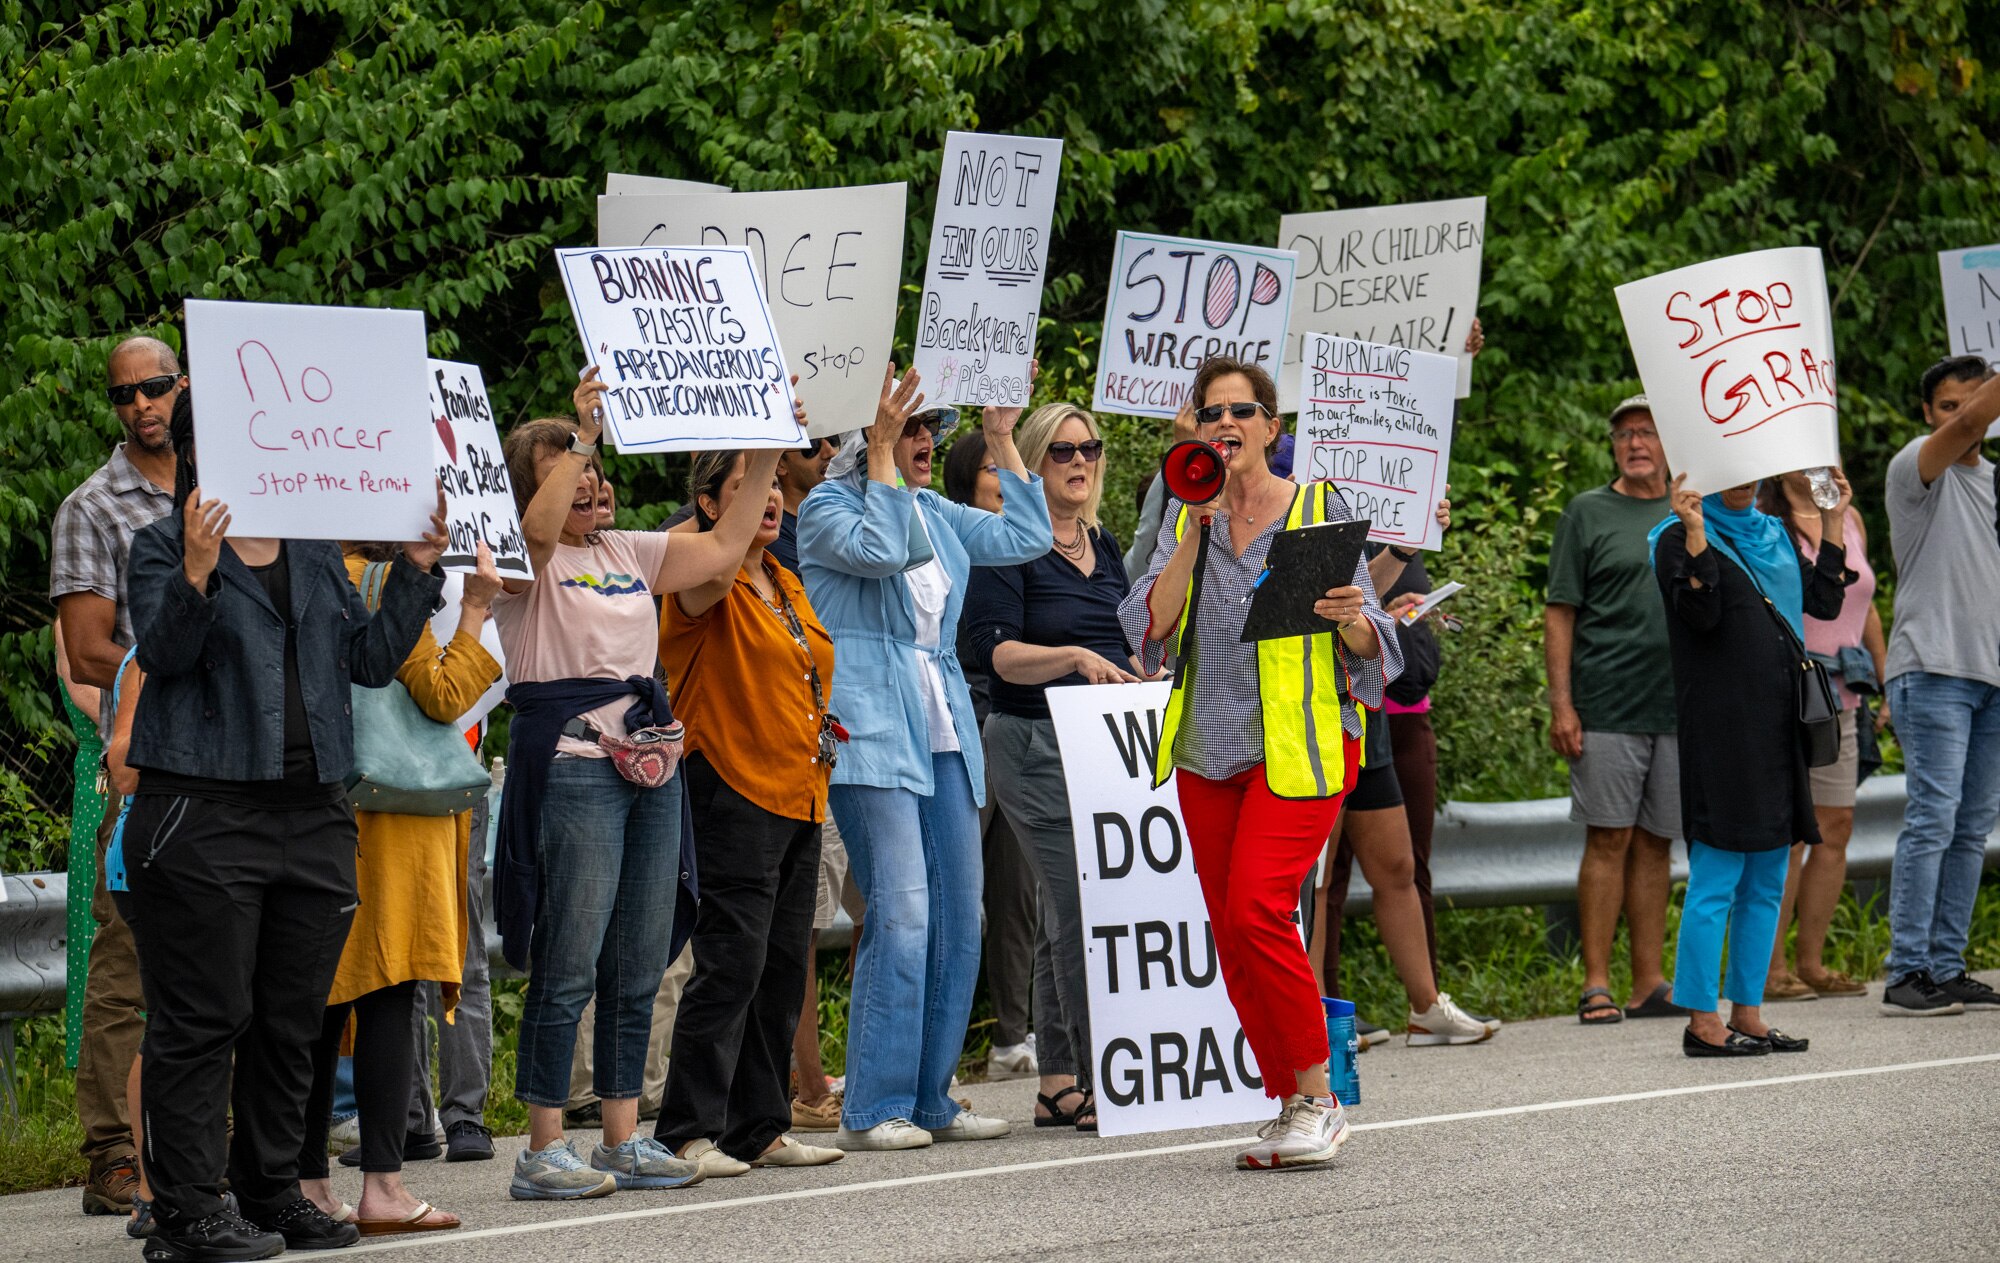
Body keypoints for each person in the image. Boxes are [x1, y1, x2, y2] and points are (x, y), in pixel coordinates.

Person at [122, 388, 447, 1259]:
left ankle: (269, 1189)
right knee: (204, 1017)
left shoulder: (312, 553)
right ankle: (188, 1210)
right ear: (197, 455)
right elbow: (162, 655)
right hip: (204, 813)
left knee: (290, 1016)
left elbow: (369, 664)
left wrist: (416, 569)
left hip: (312, 817)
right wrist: (196, 569)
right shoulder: (159, 547)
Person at [490, 369, 787, 1197]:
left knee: (637, 960)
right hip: (576, 767)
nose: (590, 481)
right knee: (570, 957)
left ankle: (623, 1137)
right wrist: (581, 434)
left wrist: (765, 444)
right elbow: (538, 534)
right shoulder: (527, 561)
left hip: (652, 766)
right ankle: (544, 1144)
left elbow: (725, 546)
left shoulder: (628, 549)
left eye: (594, 468)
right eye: (568, 471)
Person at [1118, 356, 1400, 1170]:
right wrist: (1195, 527)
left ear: (1272, 428)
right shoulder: (1185, 516)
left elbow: (1374, 638)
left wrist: (1351, 622)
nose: (1225, 422)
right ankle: (1288, 1100)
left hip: (1302, 750)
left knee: (1255, 909)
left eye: (1242, 409)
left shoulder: (1316, 508)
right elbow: (1149, 627)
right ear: (1199, 431)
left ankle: (1319, 1095)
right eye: (1211, 413)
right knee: (1232, 936)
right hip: (1209, 752)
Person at [797, 364, 1052, 1152]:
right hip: (869, 728)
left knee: (962, 917)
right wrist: (876, 450)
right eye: (909, 427)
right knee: (902, 915)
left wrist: (1003, 434)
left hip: (942, 726)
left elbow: (1028, 534)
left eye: (931, 428)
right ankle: (874, 1103)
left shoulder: (936, 509)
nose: (924, 440)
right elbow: (881, 548)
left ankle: (932, 1095)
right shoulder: (824, 509)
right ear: (863, 440)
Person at [291, 540, 505, 1237]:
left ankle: (309, 1179)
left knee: (322, 997)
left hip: (340, 807)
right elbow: (442, 695)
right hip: (393, 816)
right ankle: (383, 1181)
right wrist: (473, 611)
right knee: (388, 992)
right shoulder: (377, 580)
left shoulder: (314, 571)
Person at [654, 448, 846, 1175]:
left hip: (800, 789)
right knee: (730, 962)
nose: (768, 496)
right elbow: (706, 580)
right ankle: (685, 1130)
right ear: (710, 506)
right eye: (748, 485)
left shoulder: (785, 579)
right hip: (731, 786)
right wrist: (768, 443)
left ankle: (757, 1125)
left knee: (777, 965)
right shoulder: (699, 572)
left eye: (770, 484)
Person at [963, 400, 1138, 1133]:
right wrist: (1070, 658)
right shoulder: (1007, 545)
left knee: (1067, 912)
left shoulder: (1107, 544)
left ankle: (1057, 1082)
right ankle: (1110, 1080)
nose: (1078, 461)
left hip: (1103, 748)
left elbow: (1127, 639)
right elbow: (993, 653)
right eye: (1062, 451)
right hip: (1031, 741)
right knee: (1080, 909)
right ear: (1033, 462)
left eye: (1089, 449)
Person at [1651, 471, 1854, 1057]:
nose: (1740, 481)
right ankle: (1700, 1019)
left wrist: (1834, 519)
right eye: (1725, 470)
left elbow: (1823, 601)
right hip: (1720, 726)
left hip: (1778, 721)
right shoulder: (1671, 536)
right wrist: (1695, 532)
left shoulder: (1774, 532)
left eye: (1748, 469)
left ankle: (1748, 1011)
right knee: (1717, 875)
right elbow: (1701, 614)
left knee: (1768, 873)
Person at [49, 335, 179, 1218]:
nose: (142, 406)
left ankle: (198, 1137)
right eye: (125, 395)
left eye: (157, 387)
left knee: (217, 960)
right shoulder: (92, 507)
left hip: (232, 762)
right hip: (141, 757)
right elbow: (91, 648)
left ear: (183, 386)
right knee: (125, 961)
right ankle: (110, 1154)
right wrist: (187, 670)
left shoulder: (229, 483)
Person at [1314, 498, 1497, 1047]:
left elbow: (1360, 597)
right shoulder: (1291, 487)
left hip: (1368, 715)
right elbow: (1324, 602)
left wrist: (1402, 545)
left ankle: (1425, 1006)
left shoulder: (1379, 492)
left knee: (1396, 864)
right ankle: (1315, 1012)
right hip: (1315, 710)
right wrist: (1395, 556)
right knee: (1318, 882)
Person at [1544, 396, 1684, 1025]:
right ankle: (1596, 982)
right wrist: (1562, 704)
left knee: (1658, 843)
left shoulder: (1689, 509)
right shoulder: (1588, 512)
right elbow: (1560, 611)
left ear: (1667, 442)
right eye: (1624, 433)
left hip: (1680, 706)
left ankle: (1648, 982)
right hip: (1605, 703)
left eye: (1647, 432)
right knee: (1609, 839)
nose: (1634, 443)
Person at [1880, 356, 2000, 1016]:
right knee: (1933, 817)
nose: (1961, 416)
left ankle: (1947, 964)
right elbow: (1980, 419)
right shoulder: (1916, 468)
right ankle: (1906, 970)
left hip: (1991, 676)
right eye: (1948, 406)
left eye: (1969, 403)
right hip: (1932, 669)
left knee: (1972, 825)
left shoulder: (1995, 481)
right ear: (1930, 413)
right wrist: (1984, 402)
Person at [1756, 472, 1888, 1000]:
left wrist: (1885, 676)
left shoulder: (1847, 516)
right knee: (1789, 834)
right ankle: (1771, 968)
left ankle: (1811, 962)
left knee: (1836, 826)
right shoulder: (1767, 522)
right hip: (1794, 693)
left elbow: (1865, 603)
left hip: (1845, 692)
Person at [943, 425, 1040, 1083]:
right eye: (991, 469)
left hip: (1018, 716)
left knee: (1019, 887)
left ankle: (1014, 1034)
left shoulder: (1021, 542)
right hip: (965, 711)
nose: (1003, 481)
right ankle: (936, 1053)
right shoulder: (946, 534)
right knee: (958, 887)